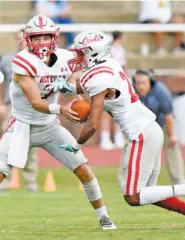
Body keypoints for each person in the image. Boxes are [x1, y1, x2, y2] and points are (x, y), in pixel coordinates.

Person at [0, 15, 116, 230]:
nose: (42, 42)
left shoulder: (65, 58)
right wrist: (60, 108)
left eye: (46, 36)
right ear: (28, 40)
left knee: (82, 168)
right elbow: (35, 101)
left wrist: (90, 91)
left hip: (50, 127)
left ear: (54, 37)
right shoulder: (21, 61)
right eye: (37, 37)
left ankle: (104, 216)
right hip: (21, 126)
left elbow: (69, 84)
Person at [53, 30, 185, 217]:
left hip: (141, 133)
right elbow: (81, 86)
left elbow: (92, 125)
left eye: (81, 52)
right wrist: (60, 85)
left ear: (93, 52)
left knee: (133, 196)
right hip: (149, 129)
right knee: (149, 193)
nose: (78, 56)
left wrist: (76, 145)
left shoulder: (99, 77)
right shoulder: (110, 65)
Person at [0, 31, 38, 192]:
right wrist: (1, 103)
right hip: (12, 107)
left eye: (25, 38)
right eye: (19, 39)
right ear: (16, 40)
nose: (22, 41)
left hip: (33, 108)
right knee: (8, 144)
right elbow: (1, 82)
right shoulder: (7, 60)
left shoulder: (38, 60)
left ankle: (30, 182)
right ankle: (4, 181)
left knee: (31, 145)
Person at [132, 69, 185, 184]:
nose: (140, 86)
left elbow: (168, 115)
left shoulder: (161, 92)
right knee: (131, 148)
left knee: (171, 148)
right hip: (144, 125)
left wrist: (172, 136)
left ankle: (180, 182)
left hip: (162, 123)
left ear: (150, 82)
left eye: (144, 83)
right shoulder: (131, 90)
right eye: (138, 83)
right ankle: (129, 180)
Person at [99, 31, 126, 150]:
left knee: (117, 112)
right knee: (106, 112)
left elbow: (124, 67)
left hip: (118, 82)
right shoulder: (109, 50)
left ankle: (117, 137)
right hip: (107, 82)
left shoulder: (121, 50)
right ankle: (105, 138)